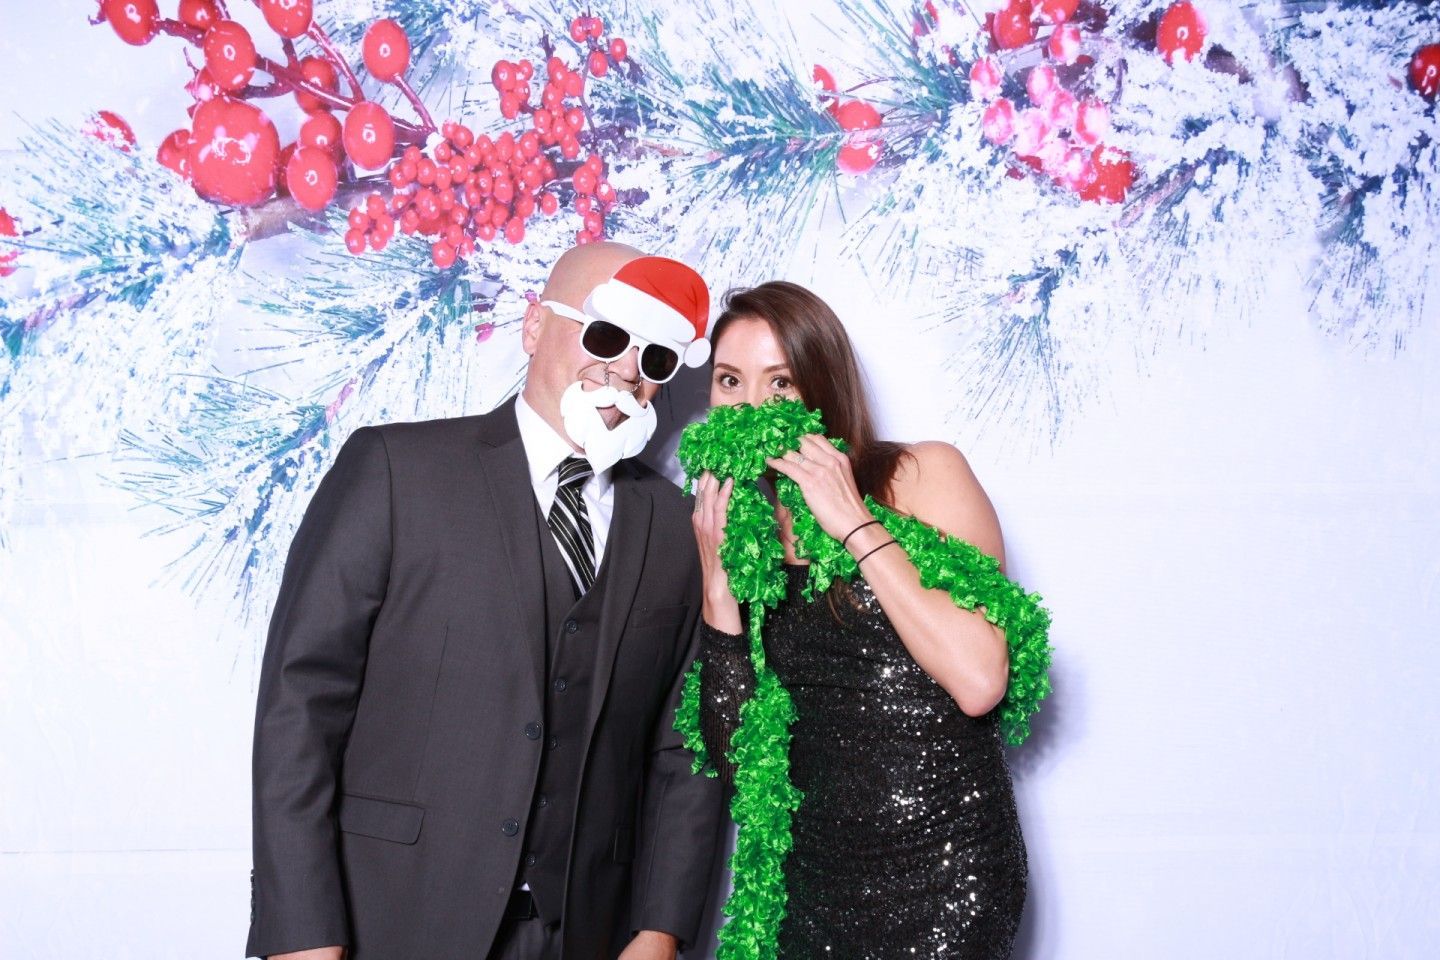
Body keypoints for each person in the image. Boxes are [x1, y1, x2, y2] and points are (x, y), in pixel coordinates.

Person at [247, 243, 726, 960]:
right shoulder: (393, 472)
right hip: (391, 919)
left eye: (655, 358)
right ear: (534, 327)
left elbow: (684, 747)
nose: (626, 369)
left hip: (586, 933)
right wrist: (303, 936)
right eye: (605, 336)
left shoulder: (673, 525)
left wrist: (659, 931)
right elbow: (299, 709)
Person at [690, 281, 1028, 958]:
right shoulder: (741, 531)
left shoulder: (923, 474)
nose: (753, 406)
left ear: (821, 385)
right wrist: (718, 590)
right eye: (730, 381)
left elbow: (979, 679)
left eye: (780, 383)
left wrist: (853, 524)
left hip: (944, 877)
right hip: (810, 887)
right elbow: (747, 777)